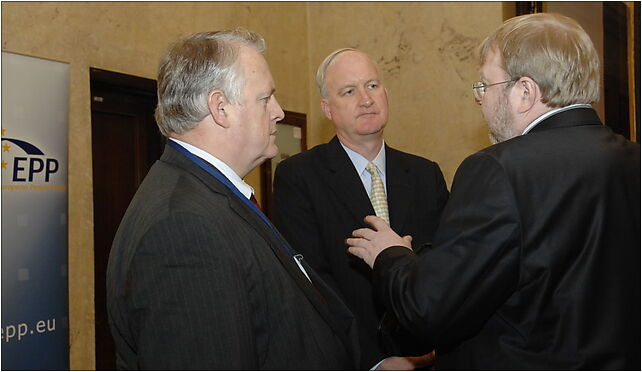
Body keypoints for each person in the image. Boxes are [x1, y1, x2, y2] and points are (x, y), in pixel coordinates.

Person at [347, 13, 640, 369]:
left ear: (525, 92)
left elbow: (430, 310)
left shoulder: (498, 169)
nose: (479, 99)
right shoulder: (632, 160)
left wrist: (390, 255)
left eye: (485, 86)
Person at [105, 30, 362, 370]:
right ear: (220, 107)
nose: (279, 112)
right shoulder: (184, 228)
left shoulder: (206, 196)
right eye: (265, 98)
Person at [272, 48, 449, 368]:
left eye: (372, 85)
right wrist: (376, 363)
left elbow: (448, 267)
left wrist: (433, 352)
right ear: (327, 108)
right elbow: (312, 285)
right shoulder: (299, 176)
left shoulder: (426, 174)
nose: (366, 99)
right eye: (349, 91)